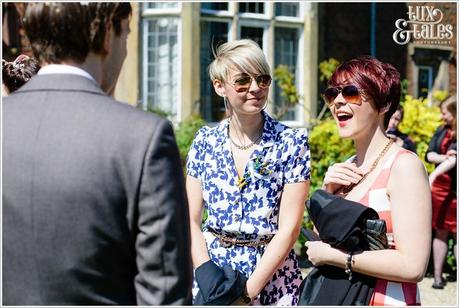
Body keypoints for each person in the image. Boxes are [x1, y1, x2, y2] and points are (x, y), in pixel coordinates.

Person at [3, 3, 192, 305]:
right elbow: (165, 294)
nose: (125, 51)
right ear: (107, 35)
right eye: (126, 36)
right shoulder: (143, 138)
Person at [186, 39, 311, 305]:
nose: (255, 88)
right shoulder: (204, 141)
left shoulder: (291, 143)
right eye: (243, 81)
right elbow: (190, 218)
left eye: (262, 79)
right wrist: (206, 274)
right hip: (213, 273)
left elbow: (290, 229)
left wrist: (245, 295)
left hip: (271, 277)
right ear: (220, 87)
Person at [305, 56, 431, 305]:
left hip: (386, 300)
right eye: (333, 94)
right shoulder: (348, 166)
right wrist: (327, 193)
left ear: (383, 105)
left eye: (351, 93)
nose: (338, 101)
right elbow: (323, 241)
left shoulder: (403, 166)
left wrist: (338, 257)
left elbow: (413, 265)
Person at [426, 96, 457, 289]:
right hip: (439, 191)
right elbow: (429, 154)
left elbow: (455, 160)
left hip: (454, 189)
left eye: (444, 112)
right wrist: (442, 157)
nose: (441, 116)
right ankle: (438, 277)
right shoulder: (441, 131)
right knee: (440, 232)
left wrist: (433, 175)